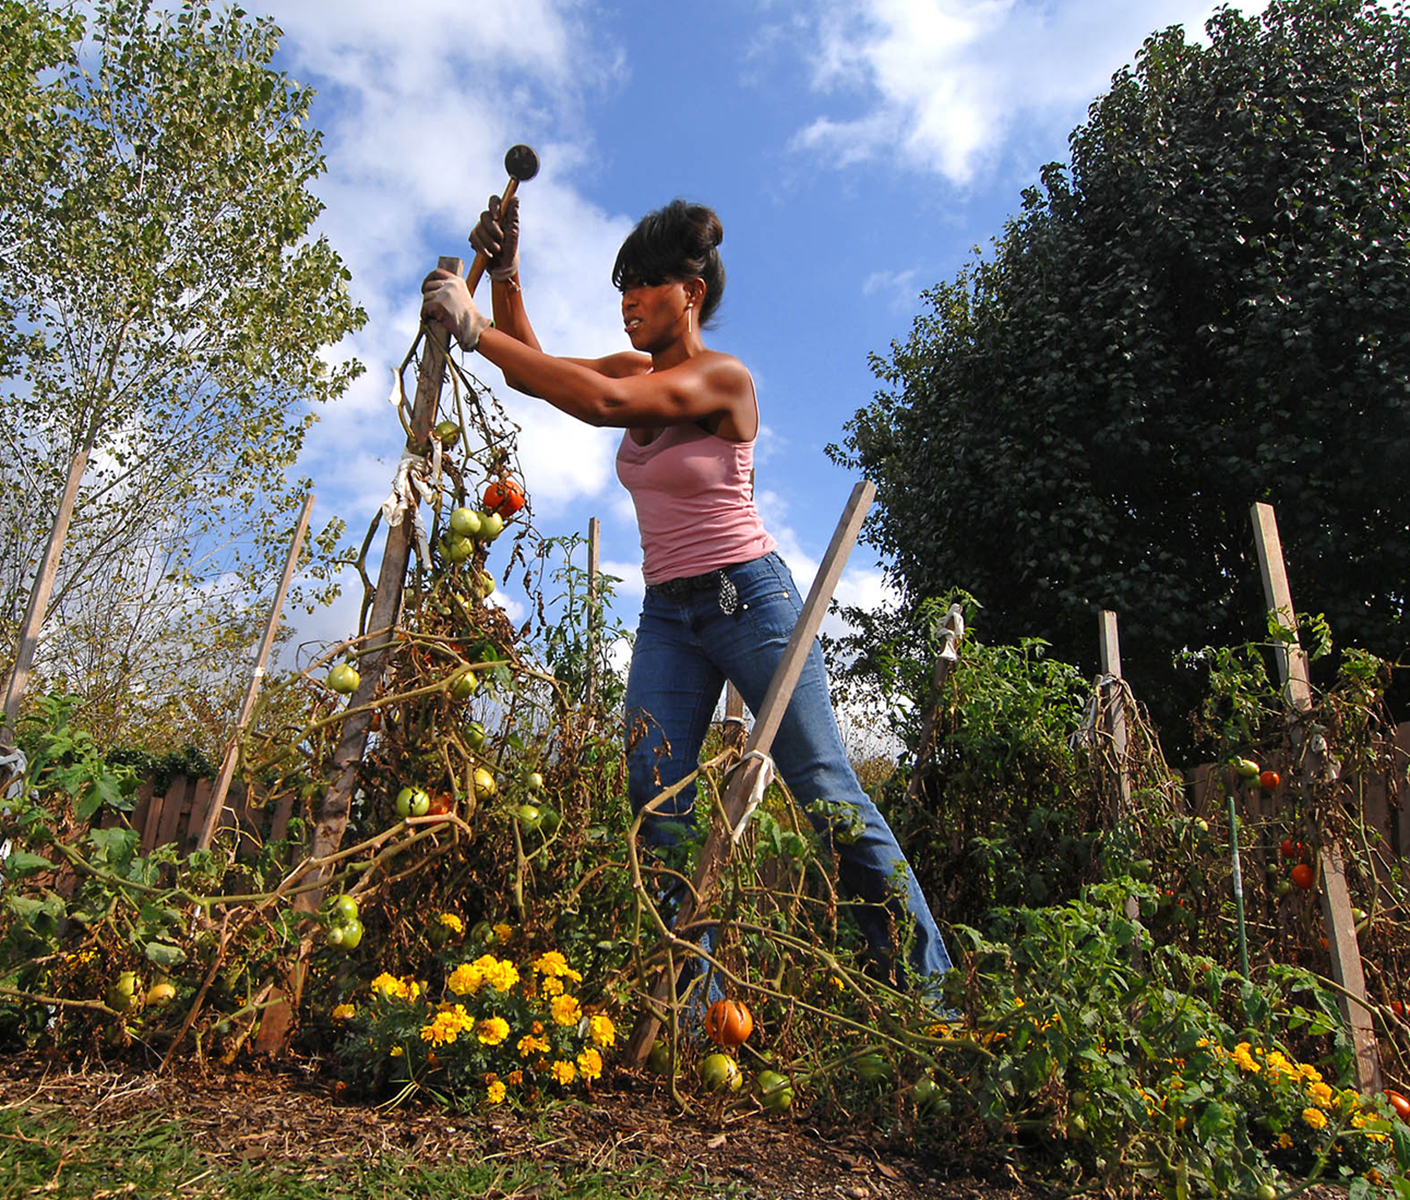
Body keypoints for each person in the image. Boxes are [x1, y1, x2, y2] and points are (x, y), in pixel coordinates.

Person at [421, 195, 952, 998]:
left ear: (690, 292)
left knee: (824, 790)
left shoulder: (721, 379)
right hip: (668, 611)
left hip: (750, 601)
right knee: (654, 791)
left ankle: (926, 994)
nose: (627, 300)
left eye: (642, 284)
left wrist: (469, 324)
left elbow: (596, 405)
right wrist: (507, 271)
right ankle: (693, 1004)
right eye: (621, 287)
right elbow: (543, 370)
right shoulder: (641, 371)